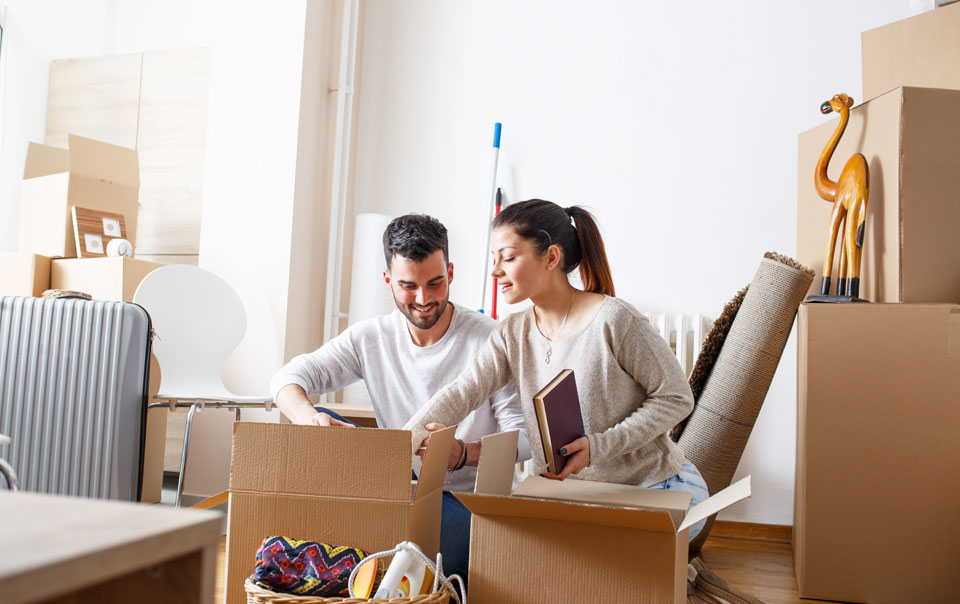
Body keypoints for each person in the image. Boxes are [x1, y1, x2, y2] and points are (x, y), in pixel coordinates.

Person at [404, 199, 710, 540]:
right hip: (571, 496)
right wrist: (400, 445)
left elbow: (676, 397)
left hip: (655, 487)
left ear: (551, 257)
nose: (495, 270)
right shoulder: (512, 333)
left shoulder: (614, 320)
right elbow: (464, 391)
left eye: (507, 257)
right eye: (494, 260)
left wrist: (598, 446)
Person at [270, 213, 530, 580]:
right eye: (408, 286)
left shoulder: (490, 339)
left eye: (435, 283)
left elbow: (524, 437)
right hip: (398, 486)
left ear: (451, 273)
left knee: (428, 556)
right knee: (320, 418)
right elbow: (287, 377)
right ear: (388, 281)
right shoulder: (371, 337)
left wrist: (462, 455)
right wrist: (308, 419)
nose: (423, 299)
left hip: (467, 498)